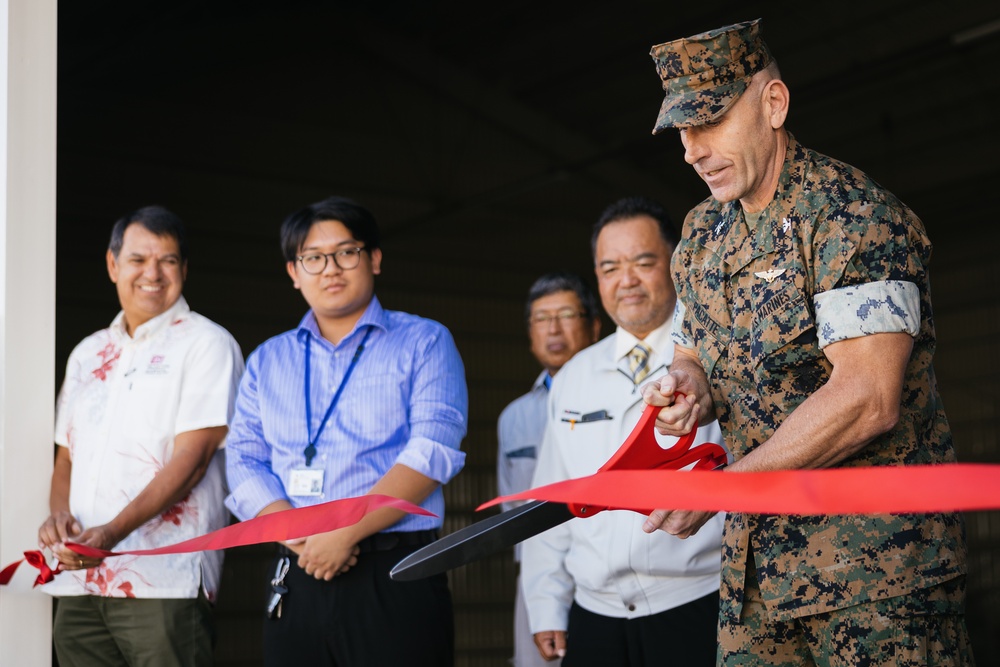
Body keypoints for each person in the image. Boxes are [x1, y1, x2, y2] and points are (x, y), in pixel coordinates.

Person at [641, 19, 974, 665]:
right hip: (757, 582)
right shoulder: (702, 233)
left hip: (878, 578)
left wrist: (718, 491)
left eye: (709, 123)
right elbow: (696, 354)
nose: (692, 150)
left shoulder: (853, 215)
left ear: (773, 104)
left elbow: (866, 398)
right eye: (682, 130)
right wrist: (687, 388)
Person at [225, 195, 468, 667]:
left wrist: (344, 533)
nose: (330, 268)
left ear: (374, 259)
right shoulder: (267, 361)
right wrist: (298, 531)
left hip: (393, 569)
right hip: (297, 567)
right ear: (293, 273)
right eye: (313, 258)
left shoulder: (424, 341)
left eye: (346, 252)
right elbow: (242, 458)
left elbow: (433, 448)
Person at [520, 196, 726, 666]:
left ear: (676, 264)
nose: (626, 280)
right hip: (595, 613)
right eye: (610, 267)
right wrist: (546, 603)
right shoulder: (574, 373)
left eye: (643, 262)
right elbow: (551, 497)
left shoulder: (716, 358)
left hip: (697, 602)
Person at [37, 205, 245, 667]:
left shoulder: (207, 344)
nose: (152, 273)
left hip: (163, 579)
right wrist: (58, 523)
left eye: (168, 260)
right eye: (137, 259)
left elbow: (192, 460)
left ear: (184, 270)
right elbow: (66, 459)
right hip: (80, 582)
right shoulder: (88, 353)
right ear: (113, 265)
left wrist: (110, 534)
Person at [498, 272, 601, 667]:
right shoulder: (514, 418)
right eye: (541, 319)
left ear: (594, 324)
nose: (553, 329)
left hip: (604, 568)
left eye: (565, 315)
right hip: (540, 577)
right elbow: (512, 514)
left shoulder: (628, 399)